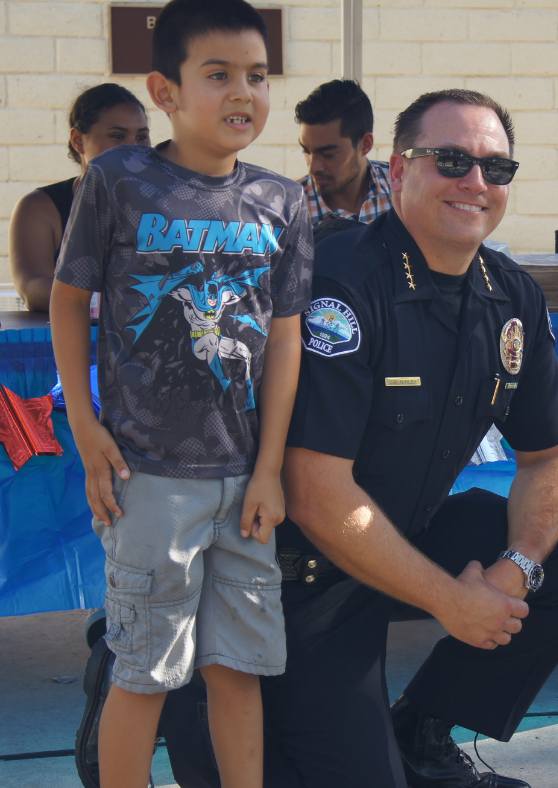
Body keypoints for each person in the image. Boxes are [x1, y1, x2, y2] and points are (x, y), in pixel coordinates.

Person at [157, 88, 558, 788]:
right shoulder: (343, 285)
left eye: (495, 169)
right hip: (298, 578)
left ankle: (423, 725)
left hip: (406, 533)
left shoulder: (511, 294)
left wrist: (514, 570)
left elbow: (554, 460)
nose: (475, 183)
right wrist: (451, 600)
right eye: (451, 162)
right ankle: (163, 677)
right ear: (400, 170)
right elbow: (317, 495)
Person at [50, 1, 314, 787]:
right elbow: (69, 300)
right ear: (165, 90)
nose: (244, 93)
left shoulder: (282, 201)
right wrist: (83, 420)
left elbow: (286, 337)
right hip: (149, 478)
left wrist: (270, 468)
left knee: (239, 669)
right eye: (219, 75)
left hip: (244, 483)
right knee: (147, 672)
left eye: (258, 76)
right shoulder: (118, 180)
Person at [9, 83, 150, 311]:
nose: (133, 148)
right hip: (72, 341)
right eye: (117, 136)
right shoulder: (39, 207)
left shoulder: (166, 204)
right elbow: (33, 289)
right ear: (78, 140)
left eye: (142, 137)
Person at [295, 78, 391, 233]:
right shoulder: (289, 212)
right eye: (306, 151)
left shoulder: (403, 188)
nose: (313, 167)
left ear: (365, 144)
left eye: (328, 154)